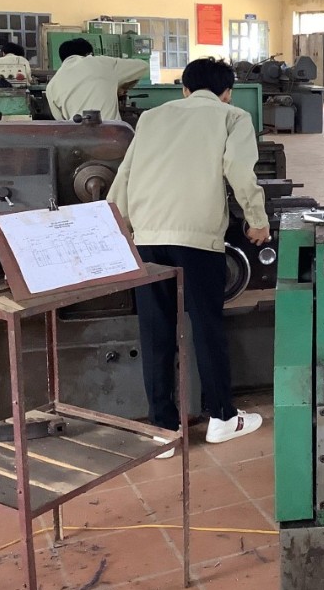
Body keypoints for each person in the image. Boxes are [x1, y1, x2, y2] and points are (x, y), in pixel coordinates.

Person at [107, 57, 270, 451]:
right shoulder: (232, 117)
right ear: (227, 92)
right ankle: (222, 417)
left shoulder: (151, 118)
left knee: (156, 331)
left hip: (148, 236)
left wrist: (117, 225)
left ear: (184, 89)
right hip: (197, 239)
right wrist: (257, 220)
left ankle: (162, 429)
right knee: (207, 325)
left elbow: (125, 174)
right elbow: (240, 171)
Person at [45, 38, 148, 122]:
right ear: (89, 54)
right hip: (111, 134)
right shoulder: (102, 63)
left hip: (77, 137)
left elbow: (61, 120)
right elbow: (143, 66)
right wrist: (122, 87)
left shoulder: (52, 85)